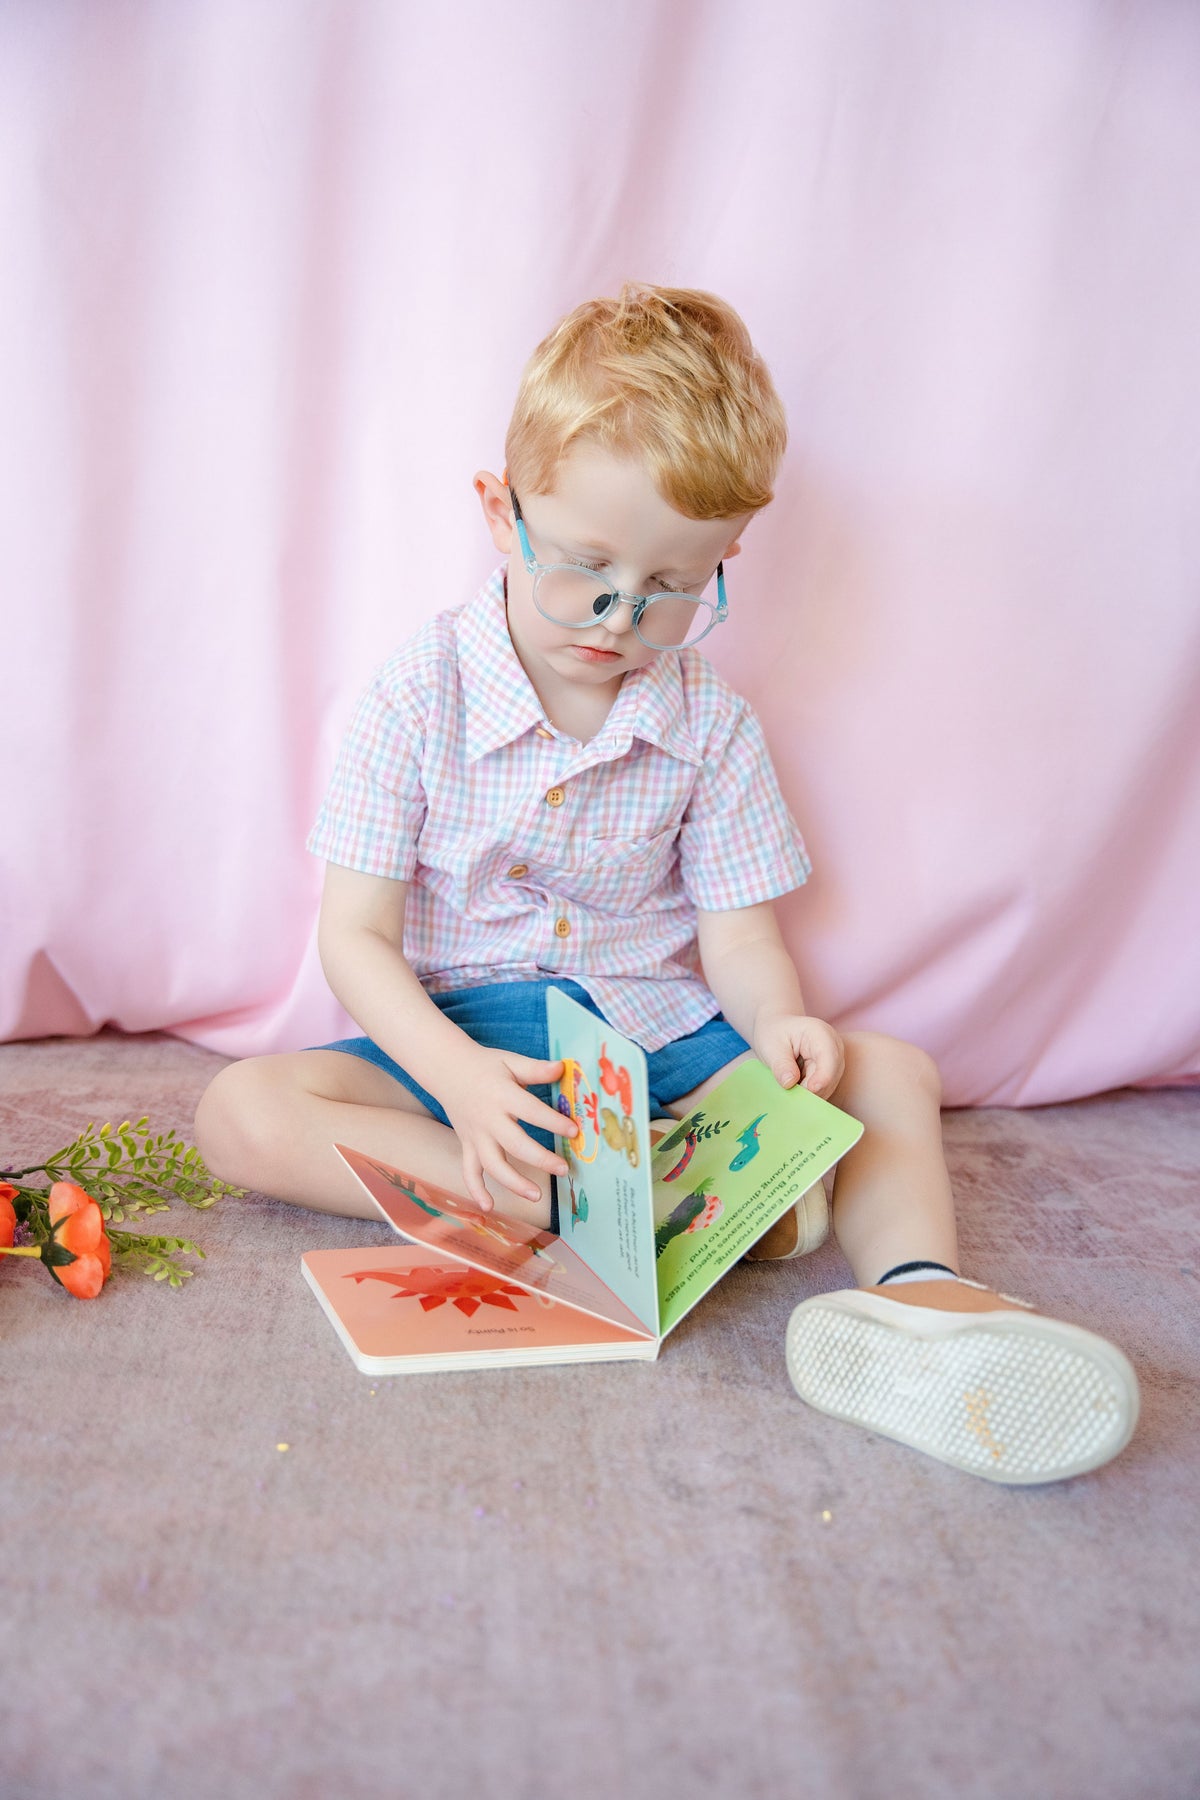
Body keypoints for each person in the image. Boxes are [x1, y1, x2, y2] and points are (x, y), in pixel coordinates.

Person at [194, 283, 1139, 1485]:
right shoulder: (410, 699)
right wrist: (462, 1087)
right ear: (503, 513)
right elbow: (357, 942)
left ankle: (917, 1297)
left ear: (723, 561)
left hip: (654, 1044)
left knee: (891, 1071)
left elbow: (739, 942)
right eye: (586, 567)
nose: (620, 617)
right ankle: (540, 1201)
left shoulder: (713, 726)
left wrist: (780, 1021)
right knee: (241, 1112)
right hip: (464, 1050)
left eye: (672, 587)